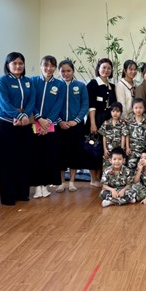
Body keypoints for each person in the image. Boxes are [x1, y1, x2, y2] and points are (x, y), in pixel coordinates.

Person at [0, 52, 36, 206]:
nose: (18, 66)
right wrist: (19, 115)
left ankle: (22, 193)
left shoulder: (28, 81)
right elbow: (4, 103)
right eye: (14, 63)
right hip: (6, 125)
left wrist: (25, 116)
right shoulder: (1, 81)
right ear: (8, 65)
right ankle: (8, 197)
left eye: (20, 63)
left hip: (24, 125)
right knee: (8, 160)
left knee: (24, 159)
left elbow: (32, 100)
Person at [31, 55, 66, 199]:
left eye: (52, 66)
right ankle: (36, 187)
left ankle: (44, 186)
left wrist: (48, 122)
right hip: (34, 123)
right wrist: (39, 118)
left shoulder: (60, 85)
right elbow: (31, 102)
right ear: (41, 66)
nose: (48, 68)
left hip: (51, 125)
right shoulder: (32, 81)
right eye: (46, 65)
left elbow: (58, 105)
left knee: (48, 156)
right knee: (35, 156)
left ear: (55, 68)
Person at [56, 59, 89, 193]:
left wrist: (76, 120)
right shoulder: (56, 86)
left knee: (75, 153)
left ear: (73, 71)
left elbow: (85, 105)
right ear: (59, 72)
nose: (66, 73)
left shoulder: (81, 86)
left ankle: (72, 182)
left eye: (68, 71)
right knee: (60, 154)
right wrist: (59, 121)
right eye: (63, 71)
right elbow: (52, 106)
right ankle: (62, 182)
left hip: (76, 126)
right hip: (59, 126)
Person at [85, 58, 117, 187]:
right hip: (95, 121)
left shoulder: (112, 86)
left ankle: (99, 178)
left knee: (103, 151)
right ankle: (93, 179)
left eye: (109, 68)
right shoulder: (93, 84)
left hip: (107, 123)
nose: (106, 70)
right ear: (98, 69)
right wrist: (93, 123)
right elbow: (91, 105)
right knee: (92, 150)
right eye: (103, 67)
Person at [99, 102, 128, 168]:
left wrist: (122, 149)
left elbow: (123, 136)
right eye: (113, 111)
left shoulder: (123, 123)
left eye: (117, 111)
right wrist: (105, 149)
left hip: (118, 150)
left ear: (121, 112)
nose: (115, 113)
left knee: (119, 168)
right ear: (110, 112)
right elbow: (104, 136)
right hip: (108, 151)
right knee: (107, 168)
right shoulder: (106, 123)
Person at [126, 98, 146, 169]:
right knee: (131, 167)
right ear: (132, 109)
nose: (138, 110)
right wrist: (127, 147)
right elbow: (127, 134)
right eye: (136, 108)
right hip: (132, 150)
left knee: (142, 168)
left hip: (143, 150)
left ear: (144, 109)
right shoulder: (129, 121)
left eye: (140, 108)